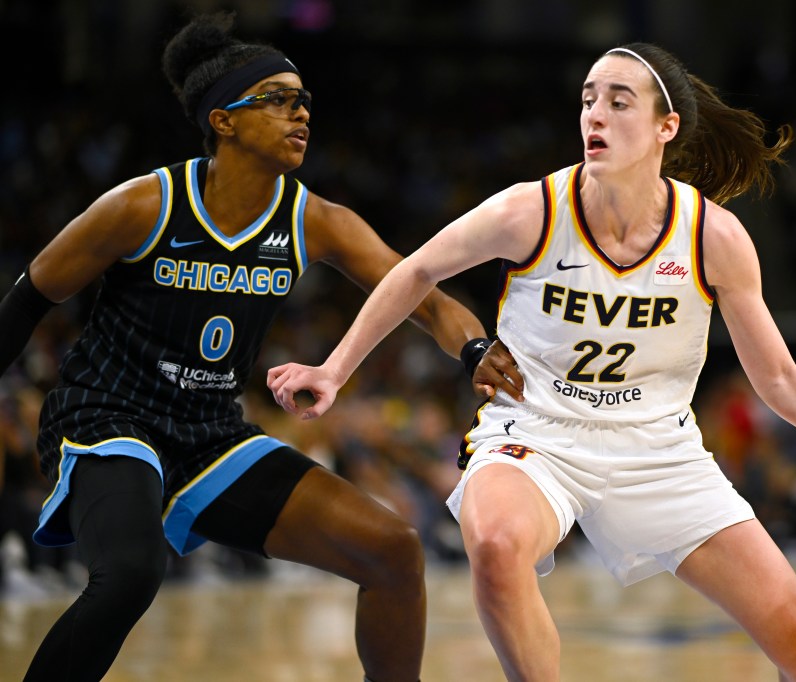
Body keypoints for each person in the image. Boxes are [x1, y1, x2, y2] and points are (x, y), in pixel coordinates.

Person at [267, 42, 796, 681]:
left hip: (659, 450)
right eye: (590, 98)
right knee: (499, 546)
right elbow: (415, 271)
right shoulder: (531, 209)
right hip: (536, 436)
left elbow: (777, 378)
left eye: (619, 100)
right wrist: (334, 369)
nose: (595, 113)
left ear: (666, 128)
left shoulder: (714, 237)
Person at [0, 11, 503, 682]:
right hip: (108, 417)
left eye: (304, 102)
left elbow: (424, 294)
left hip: (209, 432)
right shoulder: (143, 206)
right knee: (129, 574)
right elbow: (28, 298)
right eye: (277, 99)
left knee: (393, 550)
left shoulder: (314, 220)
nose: (299, 114)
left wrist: (475, 351)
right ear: (223, 119)